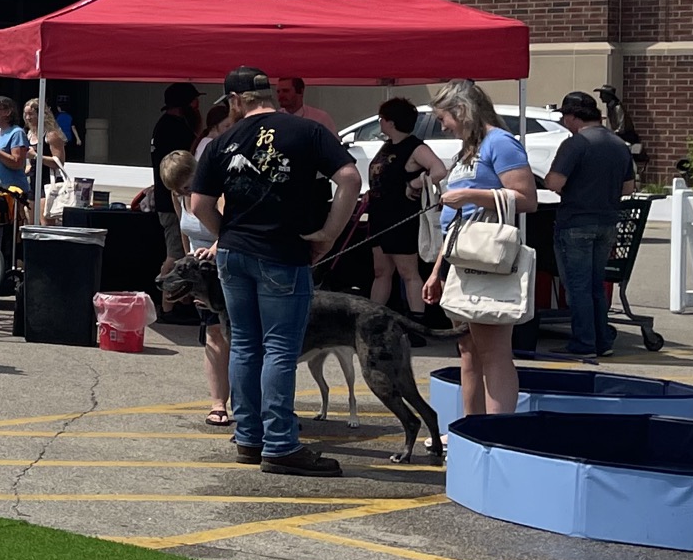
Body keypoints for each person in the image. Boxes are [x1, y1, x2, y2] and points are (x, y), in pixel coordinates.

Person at [189, 65, 361, 476]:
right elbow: (351, 179)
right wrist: (329, 235)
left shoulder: (221, 141)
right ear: (268, 95)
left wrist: (226, 233)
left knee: (245, 345)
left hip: (233, 254)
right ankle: (280, 443)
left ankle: (249, 438)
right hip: (284, 252)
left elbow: (198, 205)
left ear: (234, 101)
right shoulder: (309, 131)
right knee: (280, 348)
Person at [423, 79, 538, 418]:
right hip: (463, 258)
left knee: (493, 351)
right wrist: (436, 272)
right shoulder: (469, 150)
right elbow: (457, 221)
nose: (443, 127)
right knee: (469, 350)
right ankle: (470, 427)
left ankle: (495, 431)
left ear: (462, 110)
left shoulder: (500, 143)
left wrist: (472, 195)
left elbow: (527, 198)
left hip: (487, 261)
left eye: (445, 118)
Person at [545, 89, 636, 361]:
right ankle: (602, 339)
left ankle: (584, 342)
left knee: (577, 287)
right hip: (607, 222)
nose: (563, 123)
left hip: (575, 223)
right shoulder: (619, 144)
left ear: (574, 117)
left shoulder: (575, 144)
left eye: (565, 117)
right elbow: (628, 188)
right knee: (596, 284)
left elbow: (554, 183)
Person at [156, 148, 232, 429]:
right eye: (178, 191)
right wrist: (188, 268)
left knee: (236, 339)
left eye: (188, 187)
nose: (184, 194)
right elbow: (184, 232)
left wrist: (212, 250)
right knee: (213, 335)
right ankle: (218, 403)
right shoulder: (179, 197)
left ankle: (246, 400)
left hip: (224, 268)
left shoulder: (218, 194)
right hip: (201, 275)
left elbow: (229, 229)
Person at [365, 96, 446, 324]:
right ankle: (372, 319)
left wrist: (415, 183)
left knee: (407, 271)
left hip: (401, 217)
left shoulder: (415, 147)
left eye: (382, 119)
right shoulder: (387, 145)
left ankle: (417, 322)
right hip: (379, 215)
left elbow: (439, 170)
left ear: (391, 122)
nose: (380, 122)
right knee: (381, 270)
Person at [149, 84, 202, 194]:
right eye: (194, 102)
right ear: (184, 104)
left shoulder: (165, 124)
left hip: (167, 197)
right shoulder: (175, 129)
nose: (197, 105)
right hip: (173, 201)